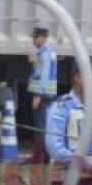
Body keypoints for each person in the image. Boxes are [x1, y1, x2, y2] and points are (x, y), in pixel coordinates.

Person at [28, 26, 58, 163]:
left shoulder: (45, 53)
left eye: (36, 37)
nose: (33, 40)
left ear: (44, 37)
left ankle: (41, 156)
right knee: (45, 124)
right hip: (48, 93)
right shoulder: (47, 52)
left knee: (40, 127)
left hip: (43, 94)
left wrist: (38, 95)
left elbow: (44, 75)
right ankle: (46, 156)